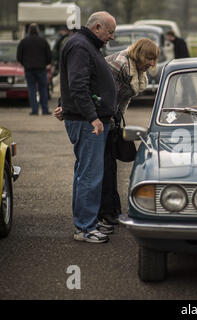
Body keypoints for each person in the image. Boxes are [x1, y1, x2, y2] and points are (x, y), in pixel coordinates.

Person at [54, 38, 160, 226]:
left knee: (106, 167)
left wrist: (117, 119)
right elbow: (93, 89)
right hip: (97, 119)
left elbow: (122, 99)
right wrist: (68, 107)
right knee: (97, 170)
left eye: (155, 59)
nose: (152, 63)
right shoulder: (120, 65)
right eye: (149, 58)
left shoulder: (136, 71)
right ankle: (101, 215)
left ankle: (110, 211)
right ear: (139, 54)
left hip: (109, 118)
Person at [59, 11, 117, 243]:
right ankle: (85, 227)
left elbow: (77, 83)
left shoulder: (84, 44)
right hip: (87, 123)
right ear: (97, 27)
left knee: (86, 174)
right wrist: (93, 117)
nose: (112, 37)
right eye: (110, 32)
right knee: (90, 176)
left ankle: (86, 223)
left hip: (86, 119)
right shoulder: (81, 47)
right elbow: (77, 84)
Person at [17, 23, 52, 116]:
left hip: (29, 69)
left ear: (28, 31)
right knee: (43, 89)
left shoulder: (24, 41)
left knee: (32, 89)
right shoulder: (43, 41)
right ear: (38, 30)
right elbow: (49, 55)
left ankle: (34, 110)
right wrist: (46, 63)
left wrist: (24, 64)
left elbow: (19, 56)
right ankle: (45, 110)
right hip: (41, 68)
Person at [165, 30, 197, 105]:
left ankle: (186, 101)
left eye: (168, 37)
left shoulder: (179, 42)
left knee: (186, 84)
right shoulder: (177, 42)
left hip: (184, 66)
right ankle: (193, 100)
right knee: (188, 84)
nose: (167, 38)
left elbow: (183, 55)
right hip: (184, 65)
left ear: (170, 36)